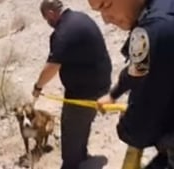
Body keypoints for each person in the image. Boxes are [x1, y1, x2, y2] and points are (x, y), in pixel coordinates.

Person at [89, 0, 174, 168]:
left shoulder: (152, 32)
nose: (106, 19)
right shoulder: (173, 7)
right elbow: (137, 68)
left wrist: (125, 126)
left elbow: (140, 128)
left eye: (106, 6)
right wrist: (114, 94)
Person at [32, 0, 112, 168]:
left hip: (84, 90)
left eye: (46, 19)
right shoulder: (80, 18)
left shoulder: (63, 32)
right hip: (101, 82)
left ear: (50, 13)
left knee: (71, 127)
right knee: (83, 123)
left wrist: (38, 86)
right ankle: (81, 155)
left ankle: (72, 163)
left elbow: (52, 66)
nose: (48, 23)